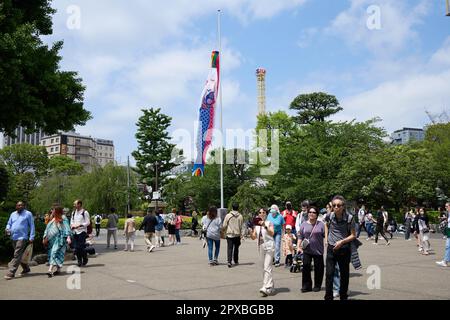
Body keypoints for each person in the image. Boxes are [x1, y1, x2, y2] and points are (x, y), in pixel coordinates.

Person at [324, 195, 356, 300]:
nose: (336, 207)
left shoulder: (350, 218)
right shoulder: (329, 216)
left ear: (343, 206)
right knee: (329, 274)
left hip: (343, 249)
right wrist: (326, 239)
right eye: (334, 205)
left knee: (344, 274)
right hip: (331, 248)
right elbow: (326, 225)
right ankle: (328, 297)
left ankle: (343, 296)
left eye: (338, 205)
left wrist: (342, 242)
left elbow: (353, 235)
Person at [4, 202, 35, 280]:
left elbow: (32, 225)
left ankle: (12, 272)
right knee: (18, 254)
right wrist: (7, 228)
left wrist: (32, 236)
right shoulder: (13, 214)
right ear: (16, 206)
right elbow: (9, 223)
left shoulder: (28, 214)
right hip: (13, 237)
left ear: (24, 206)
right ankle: (26, 268)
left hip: (22, 237)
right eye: (18, 205)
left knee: (17, 254)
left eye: (22, 205)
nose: (20, 206)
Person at [298, 206, 325, 293]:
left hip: (318, 250)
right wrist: (299, 247)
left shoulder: (321, 224)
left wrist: (327, 243)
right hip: (307, 250)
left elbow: (326, 235)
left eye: (314, 212)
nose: (311, 214)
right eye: (310, 212)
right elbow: (300, 237)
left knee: (319, 268)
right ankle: (306, 286)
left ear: (317, 214)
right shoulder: (304, 224)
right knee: (305, 266)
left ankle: (317, 285)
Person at [250, 208, 275, 297]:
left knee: (267, 266)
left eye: (263, 212)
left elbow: (272, 233)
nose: (261, 214)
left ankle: (265, 287)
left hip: (269, 246)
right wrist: (251, 232)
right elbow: (253, 237)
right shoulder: (256, 226)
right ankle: (270, 286)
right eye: (260, 213)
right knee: (263, 267)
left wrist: (264, 225)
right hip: (261, 247)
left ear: (266, 214)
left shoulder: (269, 223)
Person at [43, 206, 72, 277]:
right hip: (51, 240)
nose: (52, 211)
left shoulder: (63, 218)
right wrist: (45, 237)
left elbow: (67, 227)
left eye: (53, 210)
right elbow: (48, 229)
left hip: (60, 239)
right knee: (56, 253)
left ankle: (50, 270)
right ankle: (58, 269)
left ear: (57, 211)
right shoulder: (52, 218)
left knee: (54, 252)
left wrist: (68, 237)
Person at [222, 203, 244, 268]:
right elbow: (241, 226)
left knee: (230, 248)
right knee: (236, 248)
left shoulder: (228, 215)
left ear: (232, 208)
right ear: (238, 208)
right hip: (237, 234)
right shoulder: (240, 216)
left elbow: (224, 225)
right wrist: (242, 235)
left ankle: (229, 261)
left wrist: (223, 230)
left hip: (229, 234)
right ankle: (236, 260)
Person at [70, 200, 90, 267]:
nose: (74, 205)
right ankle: (79, 261)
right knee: (76, 247)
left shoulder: (85, 212)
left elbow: (88, 222)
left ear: (79, 204)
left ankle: (85, 258)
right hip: (75, 232)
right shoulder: (73, 212)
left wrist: (80, 225)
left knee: (80, 247)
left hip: (82, 232)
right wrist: (72, 225)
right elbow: (71, 221)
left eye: (75, 204)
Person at [436, 202, 450, 267]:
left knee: (448, 246)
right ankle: (445, 261)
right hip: (449, 231)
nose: (445, 207)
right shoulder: (449, 214)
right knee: (448, 246)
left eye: (447, 206)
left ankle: (445, 261)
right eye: (445, 206)